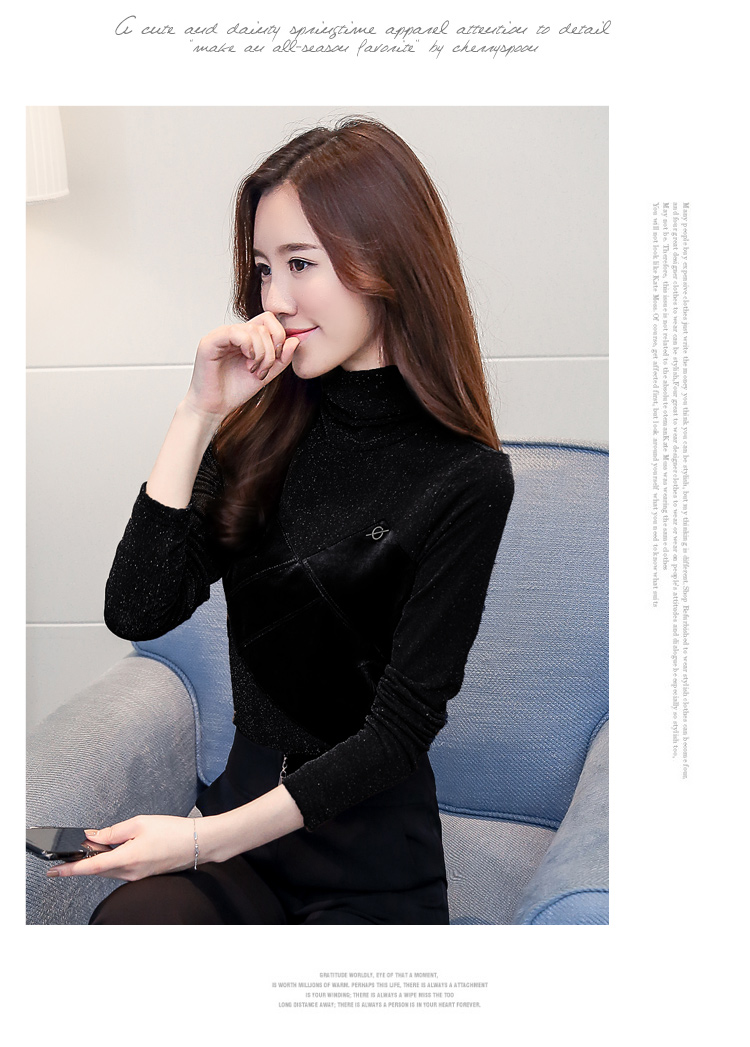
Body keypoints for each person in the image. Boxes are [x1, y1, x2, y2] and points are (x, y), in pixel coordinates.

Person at [46, 117, 515, 924]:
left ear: (386, 263)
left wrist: (198, 840)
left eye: (301, 263)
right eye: (264, 268)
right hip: (241, 845)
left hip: (366, 867)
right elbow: (136, 609)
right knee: (131, 927)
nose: (276, 300)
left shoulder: (466, 477)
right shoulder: (260, 433)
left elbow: (398, 734)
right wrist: (198, 411)